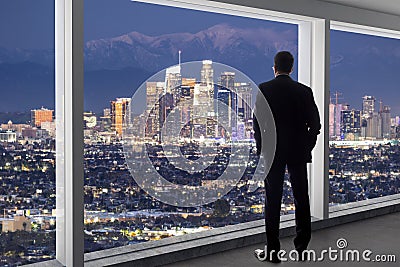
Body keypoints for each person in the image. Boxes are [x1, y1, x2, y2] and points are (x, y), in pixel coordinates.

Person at [253, 51, 321, 263]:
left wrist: (262, 150)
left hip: (273, 151)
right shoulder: (303, 91)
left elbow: (257, 124)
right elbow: (316, 125)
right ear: (292, 68)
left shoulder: (264, 89)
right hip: (298, 152)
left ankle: (273, 251)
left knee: (272, 200)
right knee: (302, 197)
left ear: (274, 67)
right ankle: (302, 248)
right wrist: (306, 146)